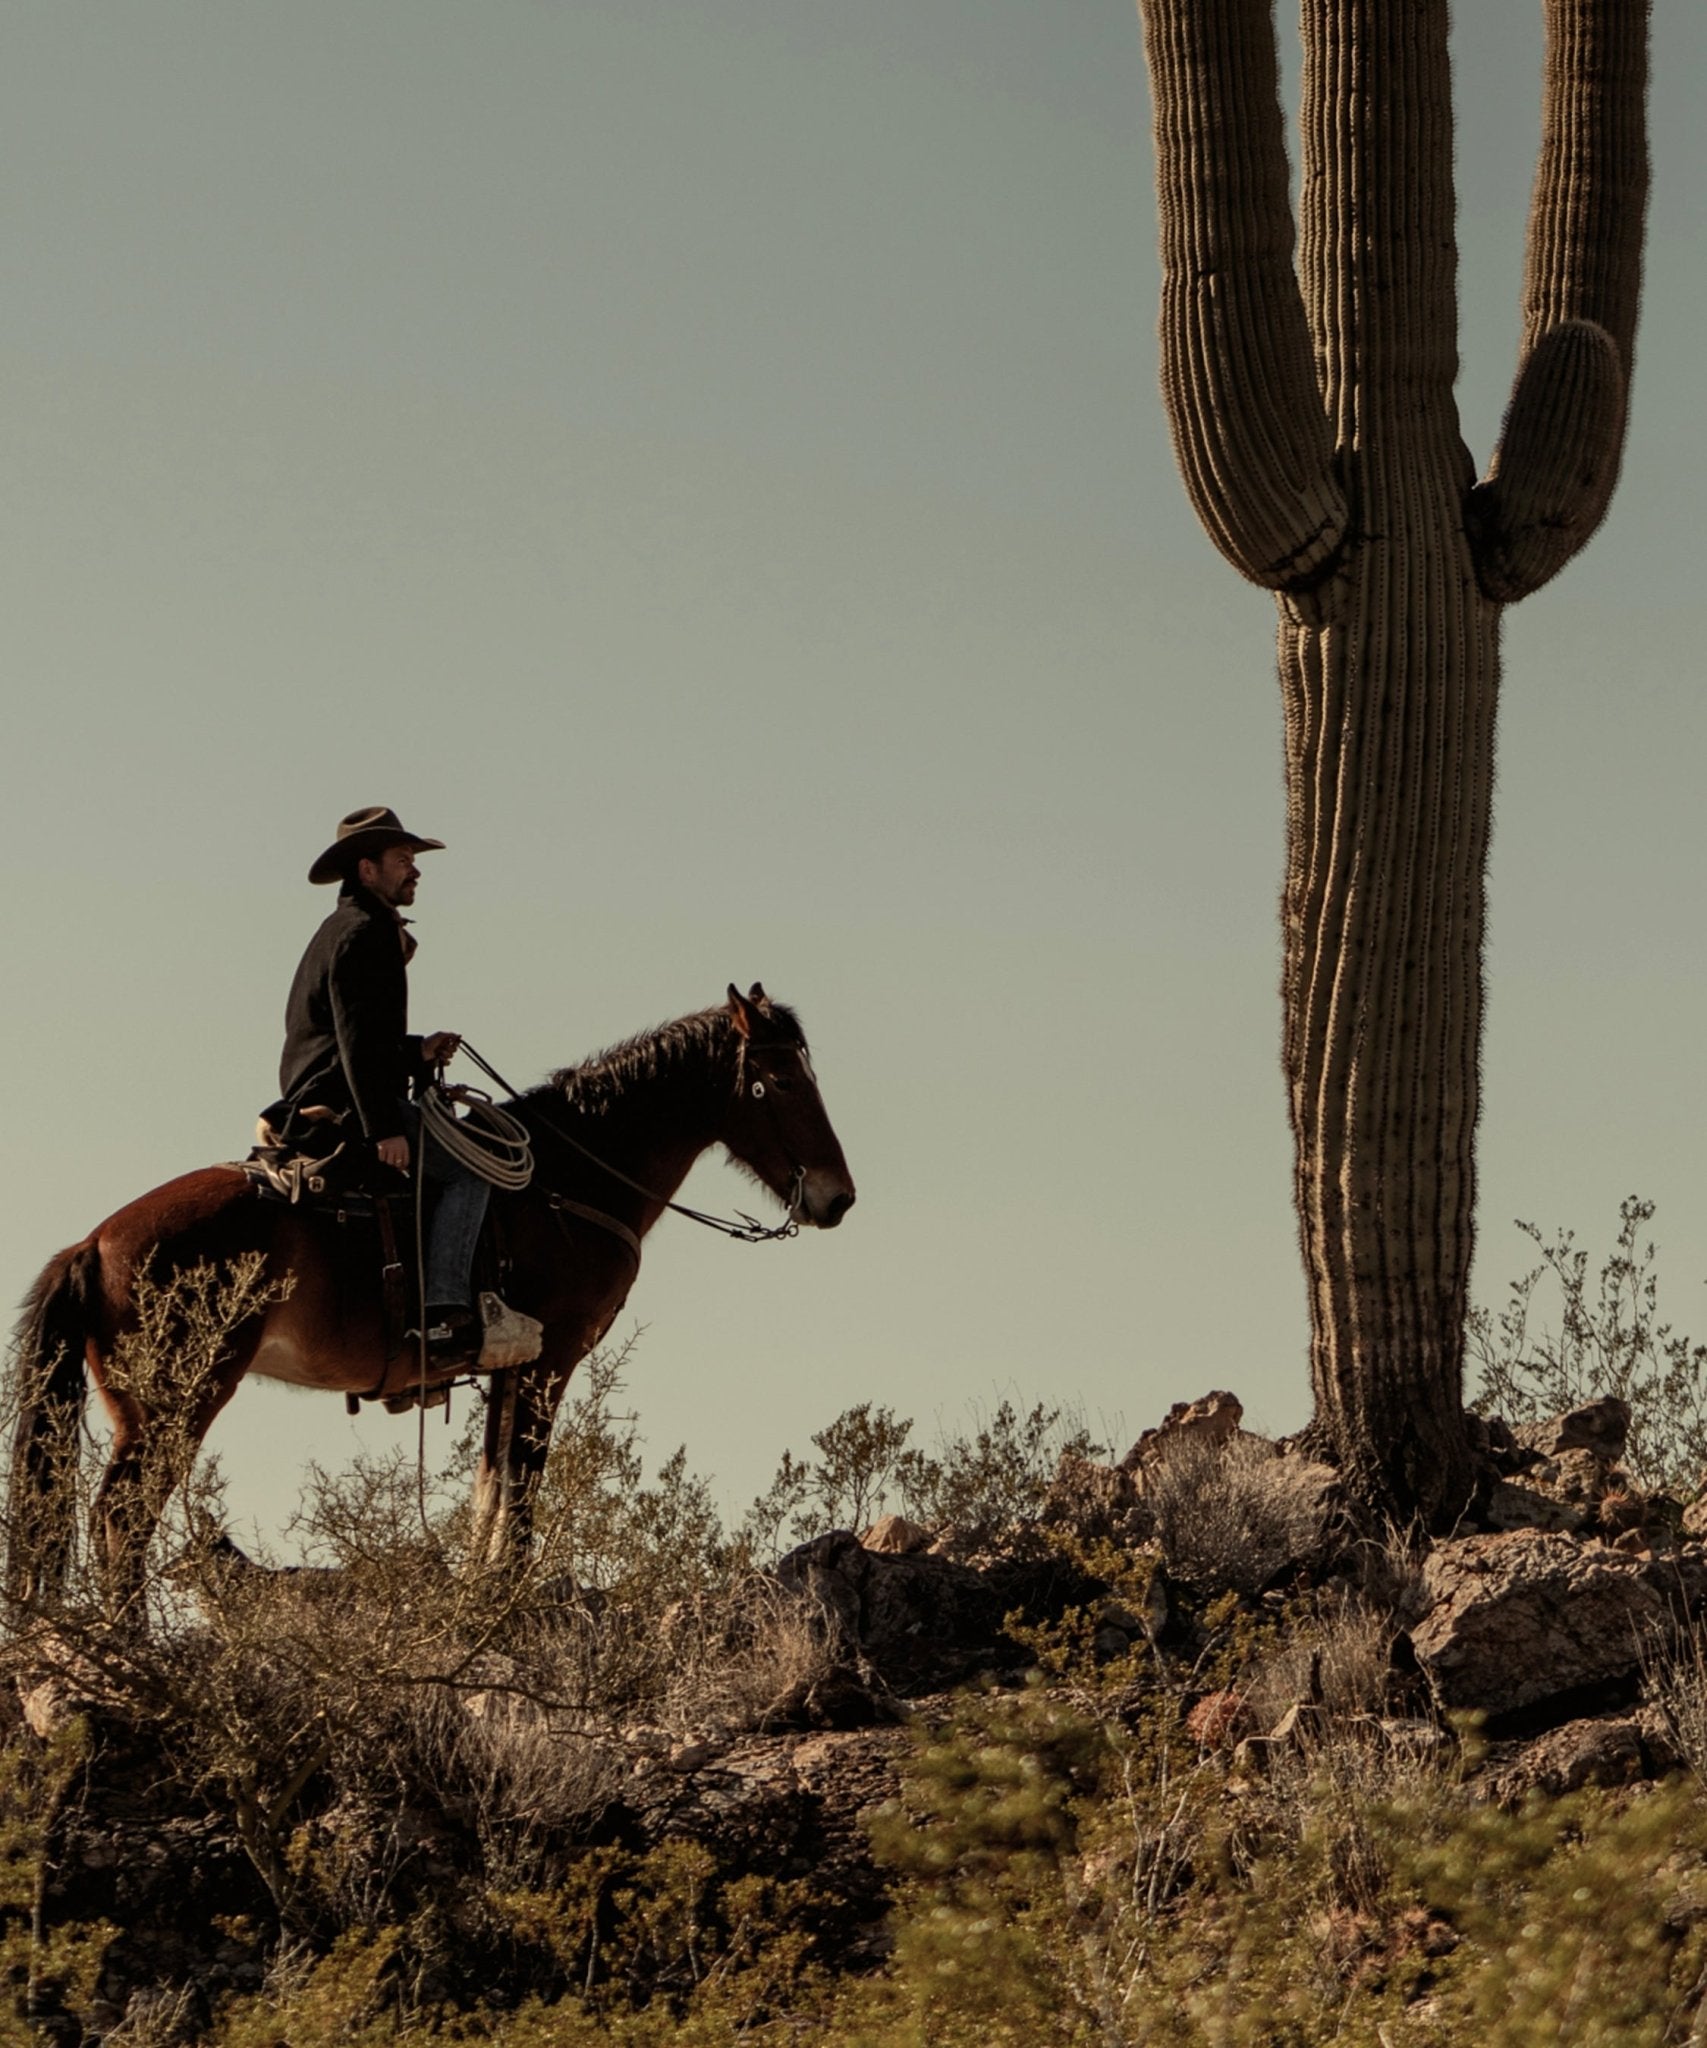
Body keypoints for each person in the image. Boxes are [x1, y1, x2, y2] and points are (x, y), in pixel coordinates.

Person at [260, 805, 496, 1363]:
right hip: (346, 1103)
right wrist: (385, 1128)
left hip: (328, 1091)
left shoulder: (342, 929)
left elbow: (355, 1036)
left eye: (414, 860)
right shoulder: (364, 934)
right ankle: (442, 1313)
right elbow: (357, 1048)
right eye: (403, 860)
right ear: (367, 870)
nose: (415, 871)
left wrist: (417, 1050)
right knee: (470, 1171)